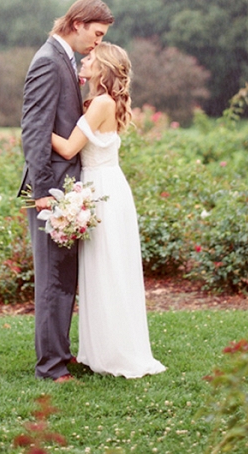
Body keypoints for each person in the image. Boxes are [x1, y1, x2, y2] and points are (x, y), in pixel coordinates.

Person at [51, 43, 166, 379]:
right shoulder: (103, 102)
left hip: (102, 189)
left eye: (89, 58)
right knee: (106, 268)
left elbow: (70, 146)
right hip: (106, 186)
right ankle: (104, 347)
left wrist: (37, 129)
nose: (83, 60)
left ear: (102, 67)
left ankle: (115, 352)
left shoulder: (101, 102)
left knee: (108, 268)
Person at [19, 0, 114, 381]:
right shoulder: (47, 61)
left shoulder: (65, 61)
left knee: (64, 277)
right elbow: (35, 130)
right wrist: (43, 190)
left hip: (65, 189)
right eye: (96, 33)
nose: (97, 43)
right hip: (49, 190)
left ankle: (61, 353)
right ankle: (50, 366)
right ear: (77, 23)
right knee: (53, 280)